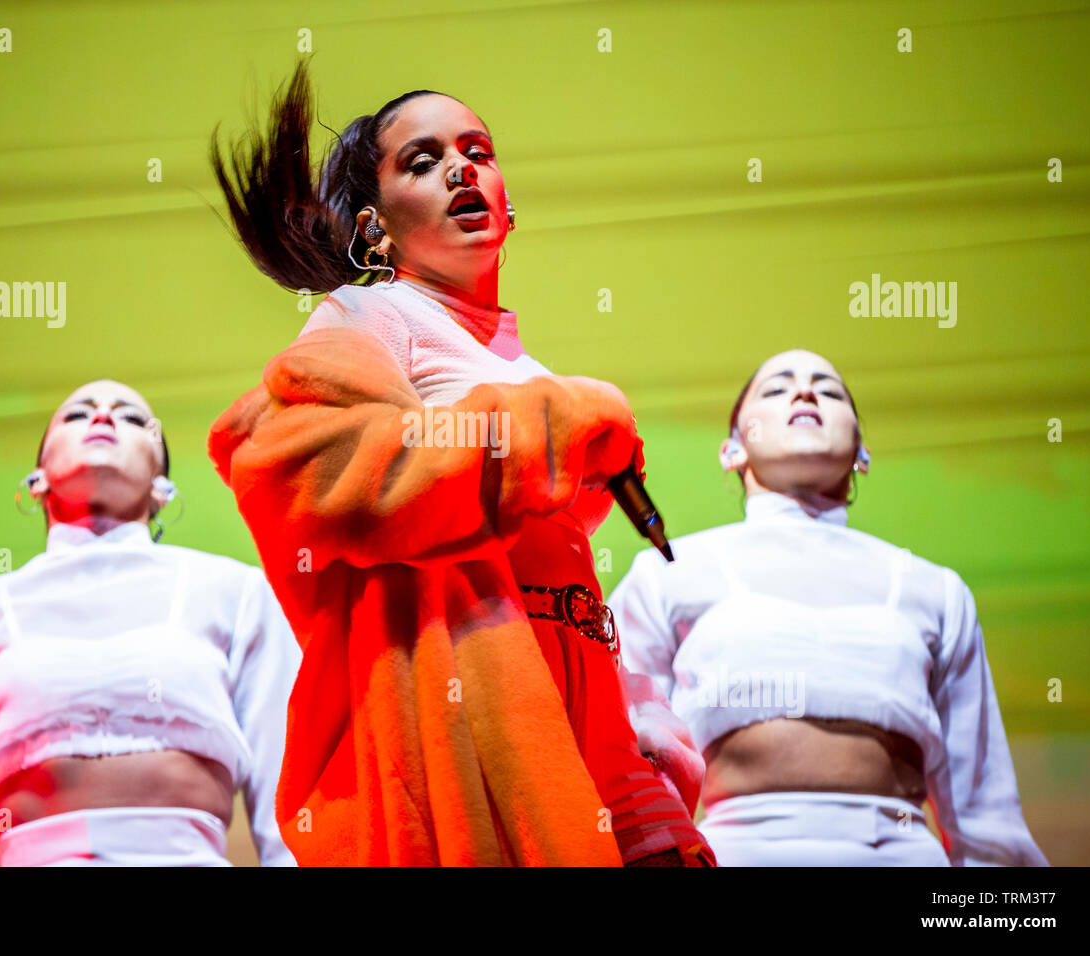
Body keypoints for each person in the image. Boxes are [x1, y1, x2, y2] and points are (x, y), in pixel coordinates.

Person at [206, 60, 711, 866]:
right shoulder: (375, 313)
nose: (460, 168)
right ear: (375, 229)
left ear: (509, 200)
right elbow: (294, 462)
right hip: (467, 742)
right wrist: (557, 424)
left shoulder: (527, 362)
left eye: (478, 150)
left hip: (575, 729)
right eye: (422, 159)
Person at [608, 348, 1049, 866]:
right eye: (776, 389)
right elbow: (621, 746)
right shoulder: (670, 572)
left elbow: (984, 811)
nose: (804, 392)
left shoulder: (934, 589)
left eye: (830, 389)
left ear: (862, 451)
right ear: (731, 450)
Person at [0, 379, 302, 866]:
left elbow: (288, 806)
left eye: (132, 418)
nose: (104, 416)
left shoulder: (237, 595)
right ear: (37, 477)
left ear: (161, 487)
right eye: (76, 413)